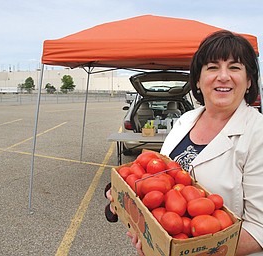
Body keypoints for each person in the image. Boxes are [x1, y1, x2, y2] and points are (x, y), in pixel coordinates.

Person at [105, 30, 263, 256]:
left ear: (249, 80)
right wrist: (124, 199)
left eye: (235, 67)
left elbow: (260, 229)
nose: (223, 76)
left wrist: (192, 251)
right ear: (198, 81)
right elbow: (161, 180)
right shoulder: (185, 120)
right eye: (212, 67)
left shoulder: (258, 133)